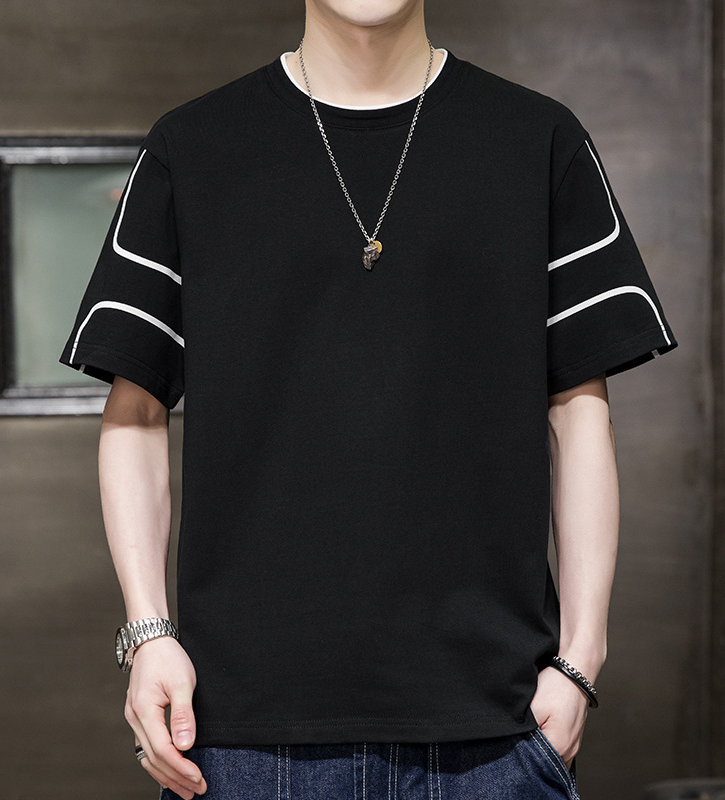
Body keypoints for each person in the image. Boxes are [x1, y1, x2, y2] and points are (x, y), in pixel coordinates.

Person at [60, 1, 677, 798]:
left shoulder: (540, 140)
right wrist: (148, 634)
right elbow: (136, 413)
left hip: (496, 731)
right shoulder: (191, 146)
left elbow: (580, 410)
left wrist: (582, 657)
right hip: (244, 736)